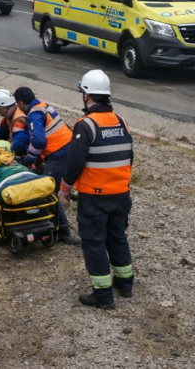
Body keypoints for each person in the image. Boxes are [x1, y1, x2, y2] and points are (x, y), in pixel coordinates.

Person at [59, 70, 135, 309]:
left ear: (86, 95)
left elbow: (74, 163)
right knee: (117, 237)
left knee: (94, 243)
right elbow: (128, 156)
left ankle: (102, 295)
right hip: (121, 194)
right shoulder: (121, 121)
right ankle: (125, 284)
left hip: (95, 197)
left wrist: (64, 189)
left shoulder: (86, 125)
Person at [11, 86, 81, 245]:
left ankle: (63, 232)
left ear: (20, 102)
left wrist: (29, 159)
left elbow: (38, 141)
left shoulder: (34, 114)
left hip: (59, 153)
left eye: (17, 104)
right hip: (67, 148)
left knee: (47, 191)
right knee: (49, 185)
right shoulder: (42, 106)